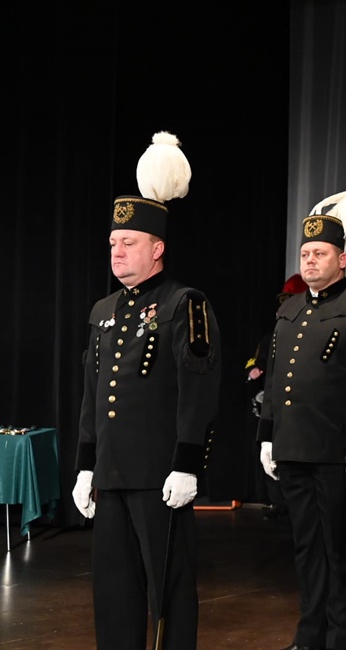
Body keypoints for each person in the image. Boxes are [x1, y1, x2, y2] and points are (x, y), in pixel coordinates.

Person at [72, 131, 222, 649]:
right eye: (113, 243)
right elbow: (93, 395)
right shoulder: (103, 311)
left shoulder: (185, 303)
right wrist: (86, 465)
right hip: (112, 473)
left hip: (160, 474)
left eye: (129, 243)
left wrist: (188, 463)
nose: (117, 252)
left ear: (156, 249)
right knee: (114, 591)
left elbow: (198, 390)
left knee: (170, 588)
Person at [257, 184, 346, 650]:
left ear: (342, 259)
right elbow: (274, 380)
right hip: (293, 448)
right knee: (306, 548)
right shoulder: (289, 310)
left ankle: (343, 635)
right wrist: (267, 436)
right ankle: (311, 634)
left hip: (335, 450)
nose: (309, 261)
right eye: (305, 254)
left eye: (319, 254)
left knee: (341, 548)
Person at [246, 273, 308, 521]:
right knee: (270, 454)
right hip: (272, 405)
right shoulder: (270, 336)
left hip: (302, 409)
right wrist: (254, 370)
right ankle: (277, 502)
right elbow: (256, 362)